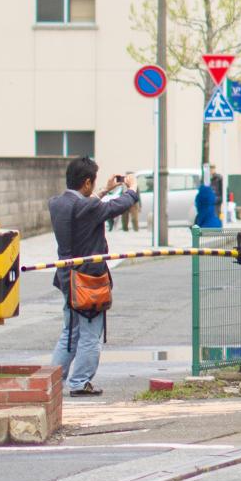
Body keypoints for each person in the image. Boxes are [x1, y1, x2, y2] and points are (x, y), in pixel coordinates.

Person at [48, 156, 137, 397]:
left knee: (70, 333)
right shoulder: (88, 208)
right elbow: (115, 207)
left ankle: (51, 383)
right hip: (89, 281)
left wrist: (105, 189)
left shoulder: (58, 203)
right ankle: (79, 382)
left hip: (67, 278)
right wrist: (132, 189)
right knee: (90, 334)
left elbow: (85, 207)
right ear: (86, 183)